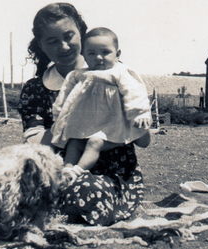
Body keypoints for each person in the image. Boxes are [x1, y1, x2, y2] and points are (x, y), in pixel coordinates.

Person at [17, 3, 149, 226]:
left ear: (82, 33)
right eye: (52, 41)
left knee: (85, 190)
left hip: (114, 175)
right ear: (41, 45)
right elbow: (38, 145)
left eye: (69, 36)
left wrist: (118, 125)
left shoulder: (116, 76)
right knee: (17, 189)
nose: (64, 46)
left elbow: (144, 139)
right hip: (59, 171)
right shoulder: (36, 89)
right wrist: (72, 123)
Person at [50, 27, 152, 179]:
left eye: (105, 52)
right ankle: (67, 169)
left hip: (110, 124)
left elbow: (134, 92)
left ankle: (78, 171)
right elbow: (64, 97)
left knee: (95, 142)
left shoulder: (120, 72)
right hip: (83, 123)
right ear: (83, 55)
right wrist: (58, 117)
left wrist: (140, 113)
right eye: (91, 53)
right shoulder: (77, 75)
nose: (98, 57)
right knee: (73, 142)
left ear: (117, 54)